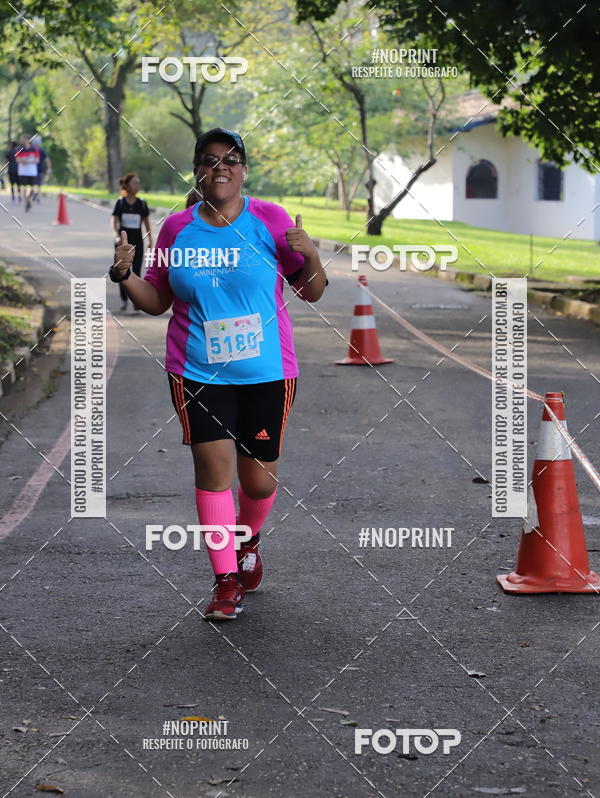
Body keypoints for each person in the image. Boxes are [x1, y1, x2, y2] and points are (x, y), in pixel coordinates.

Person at [109, 128, 328, 621]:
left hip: (268, 372)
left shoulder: (270, 220)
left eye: (231, 159)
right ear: (198, 172)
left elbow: (312, 291)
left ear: (243, 170)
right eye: (210, 160)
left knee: (258, 483)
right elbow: (159, 300)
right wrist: (125, 276)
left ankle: (248, 541)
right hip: (197, 372)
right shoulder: (176, 230)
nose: (221, 167)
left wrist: (310, 254)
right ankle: (225, 580)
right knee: (213, 473)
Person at [111, 173, 152, 311]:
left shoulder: (141, 203)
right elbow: (114, 221)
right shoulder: (120, 202)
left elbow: (147, 224)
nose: (137, 186)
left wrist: (150, 241)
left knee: (136, 271)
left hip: (137, 243)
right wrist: (116, 235)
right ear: (127, 185)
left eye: (138, 183)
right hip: (122, 244)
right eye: (135, 183)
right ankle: (124, 300)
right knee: (122, 270)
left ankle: (136, 300)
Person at [15, 134, 39, 211]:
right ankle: (27, 202)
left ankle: (28, 200)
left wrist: (29, 162)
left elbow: (37, 160)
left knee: (32, 189)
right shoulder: (19, 149)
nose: (21, 140)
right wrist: (23, 160)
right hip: (23, 171)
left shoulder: (34, 149)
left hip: (32, 171)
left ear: (27, 140)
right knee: (24, 188)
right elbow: (17, 160)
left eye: (22, 139)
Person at [31, 134, 51, 201]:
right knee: (38, 184)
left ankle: (36, 195)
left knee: (35, 183)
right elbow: (47, 160)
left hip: (36, 169)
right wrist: (49, 169)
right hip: (36, 169)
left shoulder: (37, 150)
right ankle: (37, 195)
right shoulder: (40, 150)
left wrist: (49, 168)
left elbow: (47, 160)